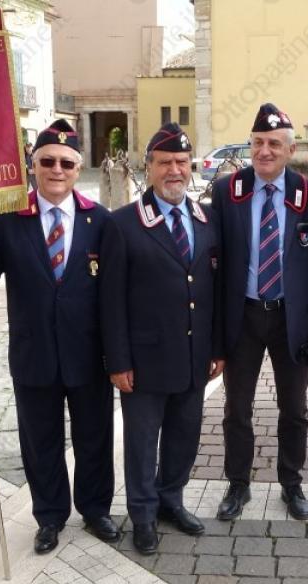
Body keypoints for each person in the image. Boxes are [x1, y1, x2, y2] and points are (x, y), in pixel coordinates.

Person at [0, 120, 118, 554]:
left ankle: (95, 509)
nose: (56, 169)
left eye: (66, 163)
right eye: (47, 161)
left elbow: (116, 292)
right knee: (40, 441)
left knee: (94, 436)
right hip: (34, 353)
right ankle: (50, 516)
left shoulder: (101, 221)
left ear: (78, 169)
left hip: (89, 354)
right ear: (32, 166)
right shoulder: (9, 219)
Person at [100, 122, 224, 555]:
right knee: (140, 444)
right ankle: (144, 514)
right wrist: (117, 362)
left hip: (194, 356)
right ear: (148, 168)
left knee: (184, 436)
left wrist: (218, 349)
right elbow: (110, 301)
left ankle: (171, 499)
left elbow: (213, 289)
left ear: (191, 168)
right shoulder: (124, 224)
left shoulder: (206, 220)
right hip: (144, 361)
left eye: (182, 162)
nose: (175, 170)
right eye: (165, 162)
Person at [211, 104, 308, 521]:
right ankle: (237, 484)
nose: (265, 151)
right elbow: (214, 258)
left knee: (294, 409)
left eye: (274, 144)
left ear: (290, 149)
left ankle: (292, 483)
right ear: (251, 145)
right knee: (236, 409)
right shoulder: (227, 191)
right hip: (242, 317)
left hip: (291, 319)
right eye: (259, 143)